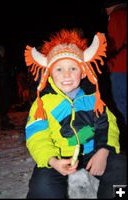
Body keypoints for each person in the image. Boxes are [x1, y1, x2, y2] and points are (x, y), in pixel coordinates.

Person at [24, 29, 126, 199]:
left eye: (73, 68)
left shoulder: (94, 97)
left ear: (83, 71)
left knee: (122, 172)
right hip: (58, 155)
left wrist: (104, 150)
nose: (66, 74)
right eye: (59, 69)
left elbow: (109, 124)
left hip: (92, 152)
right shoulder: (43, 103)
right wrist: (52, 160)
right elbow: (37, 136)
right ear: (49, 73)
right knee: (42, 188)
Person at [102, 0, 127, 150]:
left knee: (121, 104)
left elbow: (114, 44)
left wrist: (104, 53)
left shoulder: (117, 16)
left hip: (120, 67)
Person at [0, 44, 15, 129]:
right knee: (3, 101)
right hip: (2, 83)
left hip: (4, 82)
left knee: (4, 102)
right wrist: (8, 72)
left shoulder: (1, 59)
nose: (3, 51)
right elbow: (1, 71)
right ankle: (4, 122)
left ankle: (4, 119)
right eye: (1, 50)